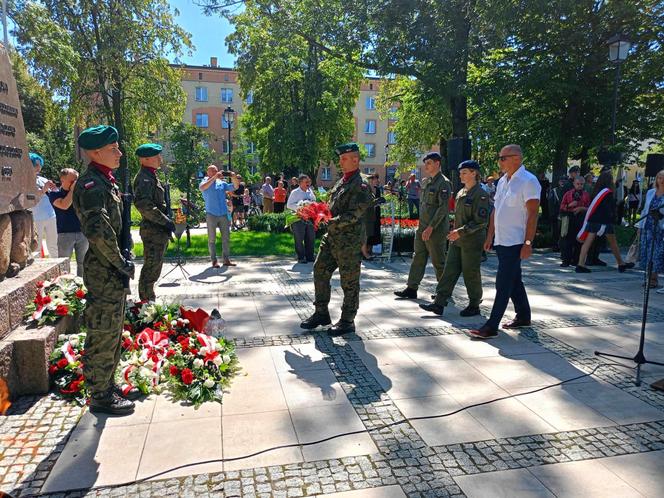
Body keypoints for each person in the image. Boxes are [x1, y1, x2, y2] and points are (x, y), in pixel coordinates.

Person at [72, 125, 135, 415]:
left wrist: (126, 256)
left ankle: (107, 385)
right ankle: (100, 395)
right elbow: (99, 234)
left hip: (112, 268)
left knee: (112, 330)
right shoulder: (91, 186)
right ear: (96, 152)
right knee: (102, 331)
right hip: (104, 270)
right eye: (114, 148)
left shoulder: (105, 181)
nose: (119, 153)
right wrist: (122, 264)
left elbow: (118, 230)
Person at [469, 144, 541, 340]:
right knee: (514, 279)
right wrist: (490, 235)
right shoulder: (502, 182)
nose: (499, 161)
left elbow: (533, 213)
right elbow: (495, 211)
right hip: (502, 239)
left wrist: (528, 242)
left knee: (503, 282)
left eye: (503, 158)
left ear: (516, 158)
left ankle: (491, 325)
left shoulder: (529, 181)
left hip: (516, 241)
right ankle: (524, 316)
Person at [300, 143, 373, 335]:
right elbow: (331, 207)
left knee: (349, 282)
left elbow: (354, 214)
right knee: (319, 271)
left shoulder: (362, 184)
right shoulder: (342, 181)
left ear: (355, 160)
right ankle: (321, 313)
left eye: (343, 158)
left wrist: (329, 221)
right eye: (340, 158)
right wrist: (315, 211)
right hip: (331, 238)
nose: (339, 161)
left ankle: (347, 320)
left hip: (348, 241)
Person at [419, 160, 489, 316]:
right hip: (457, 239)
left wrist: (460, 231)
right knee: (449, 271)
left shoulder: (481, 195)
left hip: (472, 240)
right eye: (460, 173)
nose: (461, 175)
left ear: (474, 173)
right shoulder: (461, 193)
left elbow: (481, 221)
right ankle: (439, 302)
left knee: (470, 272)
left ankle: (474, 304)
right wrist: (454, 232)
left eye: (464, 172)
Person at [394, 152, 451, 300]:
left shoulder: (443, 183)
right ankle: (412, 288)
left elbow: (443, 208)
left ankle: (444, 292)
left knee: (438, 261)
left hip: (436, 229)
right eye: (425, 163)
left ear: (438, 164)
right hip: (422, 226)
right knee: (418, 257)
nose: (426, 166)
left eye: (429, 163)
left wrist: (431, 227)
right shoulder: (426, 182)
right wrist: (423, 226)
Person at [132, 143, 174, 302]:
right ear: (145, 159)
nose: (160, 159)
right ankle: (146, 302)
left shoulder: (151, 176)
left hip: (158, 230)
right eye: (157, 156)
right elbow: (145, 206)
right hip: (153, 230)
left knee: (155, 267)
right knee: (151, 268)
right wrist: (165, 221)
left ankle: (148, 299)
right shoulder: (144, 178)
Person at [575, 169, 634, 273]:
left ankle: (580, 264)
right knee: (613, 243)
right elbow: (608, 209)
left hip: (593, 219)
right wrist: (612, 219)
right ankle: (621, 263)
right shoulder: (608, 193)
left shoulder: (596, 191)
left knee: (587, 243)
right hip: (604, 221)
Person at [47, 168, 88, 276]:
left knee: (83, 263)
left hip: (82, 232)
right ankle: (66, 288)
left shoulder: (81, 193)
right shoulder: (55, 194)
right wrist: (73, 191)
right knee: (64, 264)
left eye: (76, 181)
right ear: (62, 179)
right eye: (72, 181)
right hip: (64, 234)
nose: (75, 183)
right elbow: (64, 205)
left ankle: (83, 287)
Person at [199, 165, 239, 268]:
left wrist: (234, 177)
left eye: (216, 170)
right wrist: (214, 178)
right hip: (211, 213)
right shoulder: (204, 181)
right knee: (212, 239)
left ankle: (226, 260)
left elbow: (235, 187)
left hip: (223, 214)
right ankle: (214, 260)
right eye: (212, 170)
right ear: (208, 172)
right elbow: (202, 188)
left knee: (226, 238)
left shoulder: (222, 183)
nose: (215, 172)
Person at [637, 169, 664, 289]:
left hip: (660, 229)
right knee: (647, 253)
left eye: (663, 178)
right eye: (659, 178)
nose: (661, 180)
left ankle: (654, 278)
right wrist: (640, 226)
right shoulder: (651, 192)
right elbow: (644, 210)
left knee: (656, 254)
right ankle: (648, 278)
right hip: (647, 226)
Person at [29, 153, 58, 258]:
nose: (39, 167)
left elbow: (53, 195)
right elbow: (32, 198)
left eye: (39, 164)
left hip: (51, 216)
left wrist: (55, 190)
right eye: (36, 165)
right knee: (36, 246)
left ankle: (58, 266)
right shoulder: (25, 181)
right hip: (35, 218)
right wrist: (44, 189)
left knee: (54, 245)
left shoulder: (43, 179)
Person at [559, 176, 590, 267]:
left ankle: (576, 260)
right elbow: (561, 207)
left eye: (581, 184)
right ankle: (566, 260)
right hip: (569, 218)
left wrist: (582, 208)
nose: (580, 186)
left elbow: (590, 208)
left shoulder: (586, 195)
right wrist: (569, 205)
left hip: (581, 219)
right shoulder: (568, 194)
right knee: (567, 240)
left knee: (579, 240)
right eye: (578, 184)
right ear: (574, 184)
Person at [287, 174, 316, 263]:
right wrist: (301, 206)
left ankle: (310, 256)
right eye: (306, 182)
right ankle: (301, 257)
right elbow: (289, 205)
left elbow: (314, 201)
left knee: (310, 237)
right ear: (300, 183)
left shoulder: (310, 191)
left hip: (310, 218)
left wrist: (311, 204)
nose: (308, 183)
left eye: (309, 181)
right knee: (299, 238)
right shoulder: (295, 192)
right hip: (298, 218)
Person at [362, 174, 384, 259]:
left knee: (370, 234)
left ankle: (368, 251)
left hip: (372, 216)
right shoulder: (366, 189)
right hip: (366, 216)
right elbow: (368, 203)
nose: (378, 181)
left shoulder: (373, 190)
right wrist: (377, 201)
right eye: (376, 179)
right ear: (371, 180)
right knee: (365, 235)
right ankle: (364, 253)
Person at [547, 176, 567, 251]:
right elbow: (550, 203)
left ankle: (562, 245)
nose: (563, 182)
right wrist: (553, 214)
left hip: (564, 213)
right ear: (558, 182)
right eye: (561, 181)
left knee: (563, 231)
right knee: (556, 231)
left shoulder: (567, 191)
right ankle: (555, 245)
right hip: (555, 214)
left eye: (565, 181)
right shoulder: (554, 191)